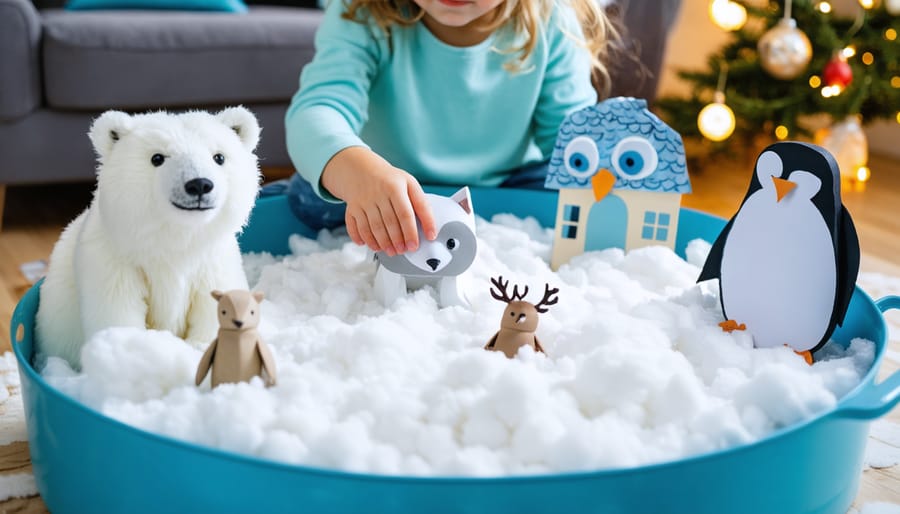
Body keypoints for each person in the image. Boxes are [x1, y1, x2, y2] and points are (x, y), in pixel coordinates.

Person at [284, 0, 618, 257]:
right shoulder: (361, 11)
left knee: (583, 203)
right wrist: (357, 172)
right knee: (307, 197)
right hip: (385, 183)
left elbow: (571, 140)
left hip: (508, 180)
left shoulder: (550, 16)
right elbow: (318, 109)